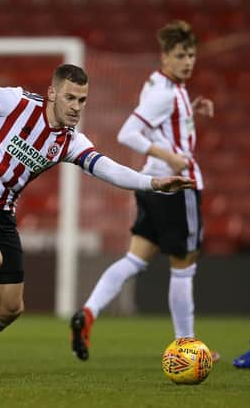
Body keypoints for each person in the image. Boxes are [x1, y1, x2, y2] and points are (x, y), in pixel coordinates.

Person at [0, 64, 194, 379]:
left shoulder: (71, 142)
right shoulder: (15, 103)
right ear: (52, 93)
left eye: (82, 100)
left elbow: (109, 169)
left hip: (2, 213)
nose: (76, 107)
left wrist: (152, 183)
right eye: (70, 98)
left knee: (9, 307)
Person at [69, 20, 218, 363]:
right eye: (181, 55)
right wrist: (170, 157)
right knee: (184, 268)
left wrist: (189, 111)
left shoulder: (161, 83)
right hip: (176, 188)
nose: (188, 61)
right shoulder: (165, 92)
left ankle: (88, 313)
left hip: (151, 188)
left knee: (134, 259)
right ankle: (187, 346)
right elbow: (129, 133)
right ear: (165, 56)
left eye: (192, 54)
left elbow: (161, 119)